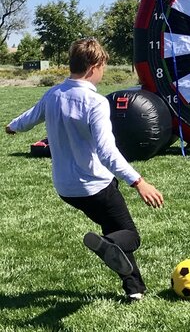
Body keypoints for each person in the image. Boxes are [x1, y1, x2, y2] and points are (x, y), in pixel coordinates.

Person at [5, 38, 164, 302]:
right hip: (96, 186)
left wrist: (12, 126)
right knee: (130, 237)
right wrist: (139, 182)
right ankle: (111, 248)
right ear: (94, 65)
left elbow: (29, 118)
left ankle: (134, 288)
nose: (103, 72)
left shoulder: (53, 94)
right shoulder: (96, 102)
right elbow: (108, 152)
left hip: (66, 189)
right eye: (103, 66)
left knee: (114, 229)